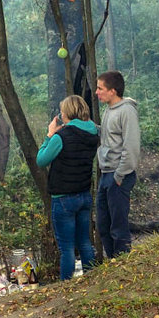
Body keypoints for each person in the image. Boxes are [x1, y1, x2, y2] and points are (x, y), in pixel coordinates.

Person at [37, 94, 99, 281]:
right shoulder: (93, 133)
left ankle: (65, 286)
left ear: (68, 114)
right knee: (85, 242)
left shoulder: (61, 137)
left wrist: (50, 135)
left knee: (67, 248)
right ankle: (92, 280)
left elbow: (41, 160)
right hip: (84, 195)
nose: (61, 115)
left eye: (62, 111)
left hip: (63, 198)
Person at [95, 70, 140, 259]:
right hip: (106, 173)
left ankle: (123, 263)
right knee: (103, 223)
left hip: (119, 174)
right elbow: (109, 137)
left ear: (112, 91)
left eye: (100, 88)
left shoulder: (127, 111)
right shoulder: (108, 110)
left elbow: (131, 146)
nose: (97, 92)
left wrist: (120, 175)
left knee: (118, 224)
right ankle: (113, 261)